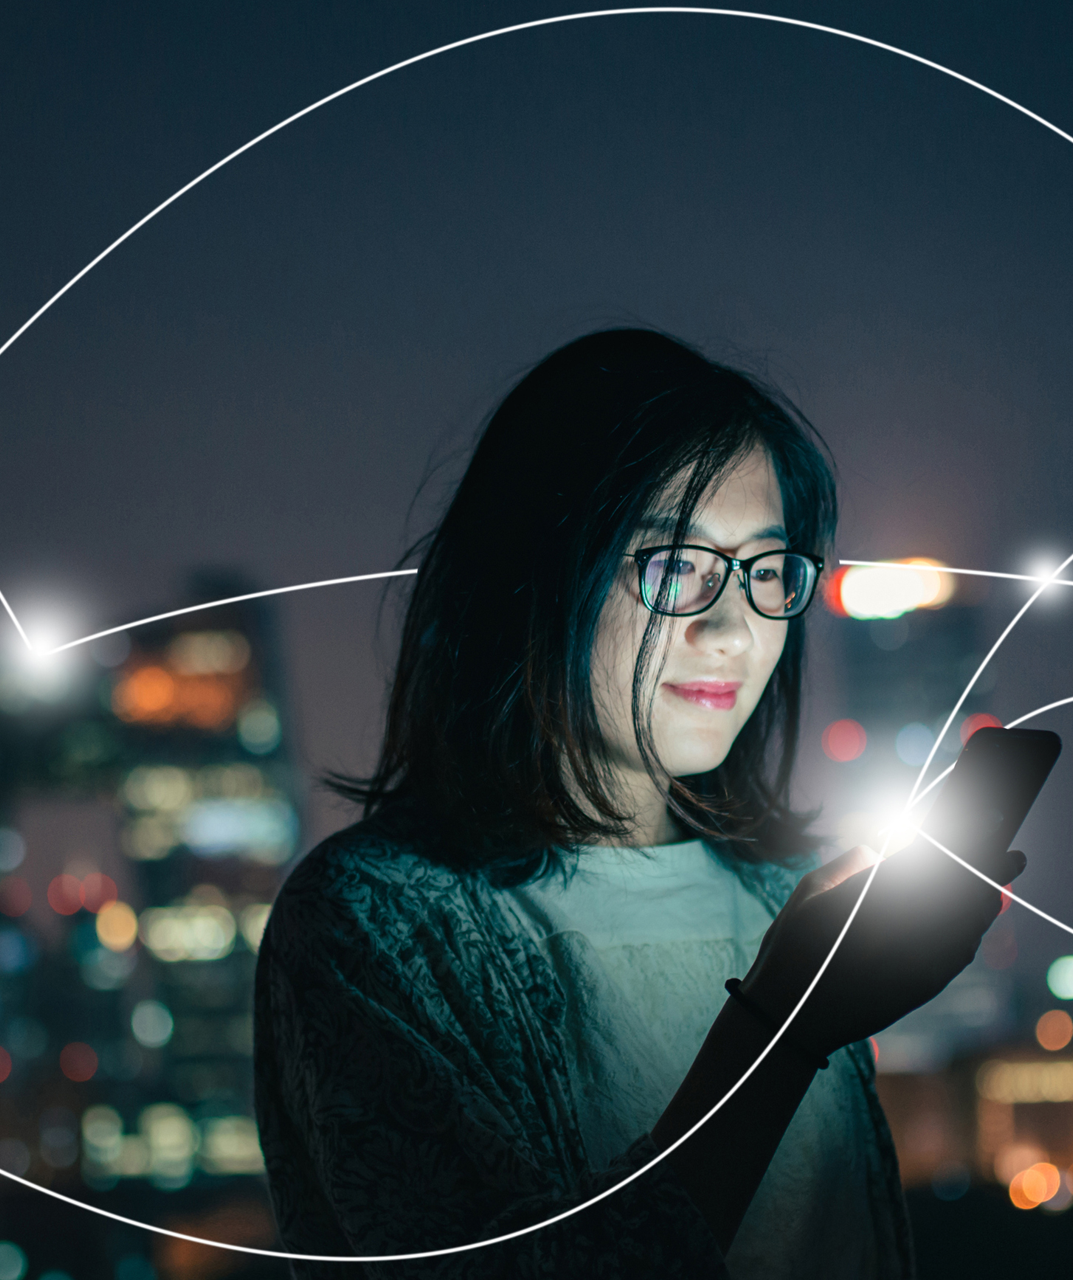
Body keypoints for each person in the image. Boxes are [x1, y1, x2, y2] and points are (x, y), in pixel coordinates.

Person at [252, 328, 1022, 1277]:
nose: (731, 628)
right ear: (533, 577)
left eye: (769, 572)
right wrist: (781, 1029)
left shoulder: (785, 894)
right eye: (672, 568)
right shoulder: (375, 924)